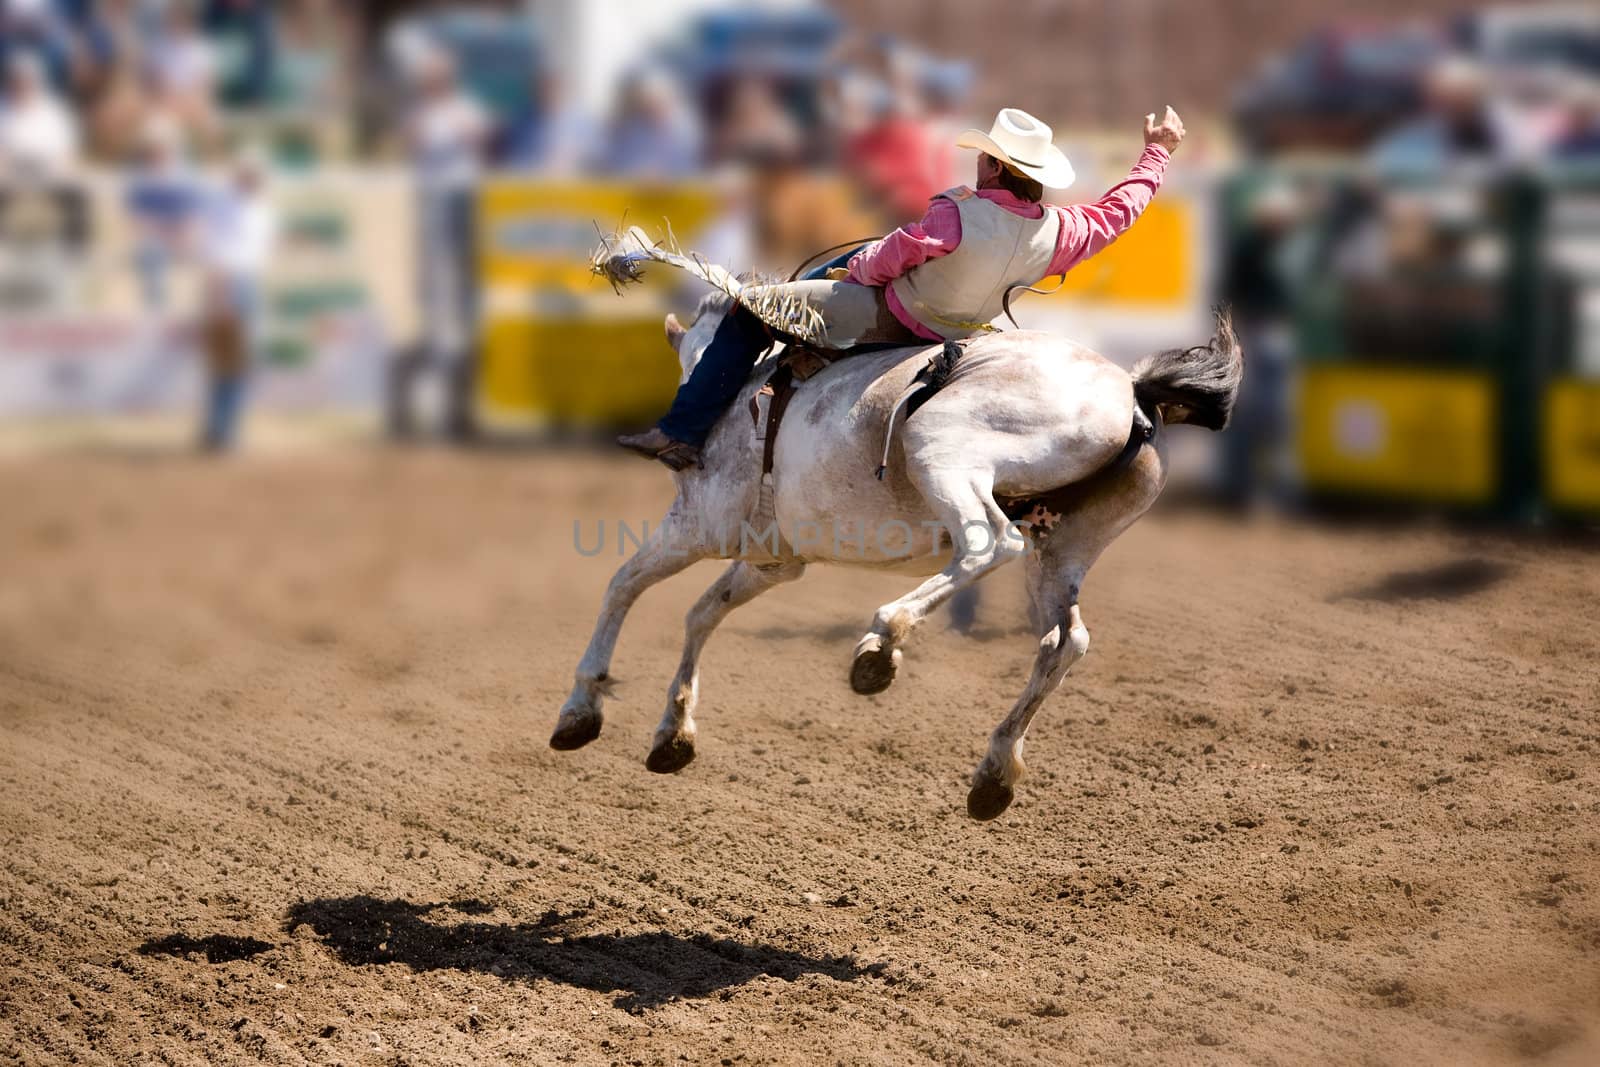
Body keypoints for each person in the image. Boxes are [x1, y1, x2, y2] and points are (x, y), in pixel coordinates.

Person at [619, 105, 1186, 470]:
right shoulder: (1064, 231)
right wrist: (1156, 153)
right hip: (965, 336)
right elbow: (1121, 209)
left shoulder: (955, 212)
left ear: (992, 165)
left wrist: (856, 270)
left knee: (753, 311)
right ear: (1037, 178)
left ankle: (683, 431)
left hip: (894, 316)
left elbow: (892, 256)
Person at [196, 146, 275, 451]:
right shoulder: (224, 204)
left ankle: (221, 429)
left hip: (245, 283)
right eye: (247, 174)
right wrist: (219, 290)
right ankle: (222, 431)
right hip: (228, 282)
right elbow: (215, 248)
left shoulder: (261, 209)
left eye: (254, 175)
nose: (251, 179)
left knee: (234, 362)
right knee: (228, 361)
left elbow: (256, 254)